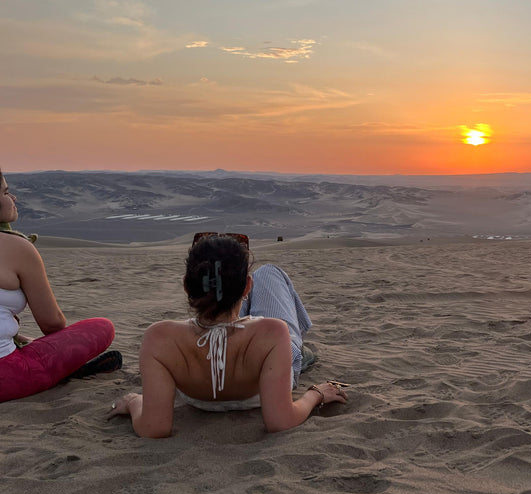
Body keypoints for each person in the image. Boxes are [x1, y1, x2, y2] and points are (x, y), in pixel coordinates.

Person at [109, 233, 346, 437]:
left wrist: (134, 402)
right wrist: (315, 395)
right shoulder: (274, 332)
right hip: (268, 358)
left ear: (186, 286)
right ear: (248, 287)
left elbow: (154, 428)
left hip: (199, 389)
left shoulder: (159, 338)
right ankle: (299, 352)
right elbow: (281, 421)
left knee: (220, 312)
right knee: (269, 273)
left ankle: (221, 297)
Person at [1, 169, 119, 403]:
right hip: (7, 375)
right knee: (102, 327)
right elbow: (52, 324)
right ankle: (63, 372)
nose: (13, 198)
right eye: (5, 192)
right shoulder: (16, 247)